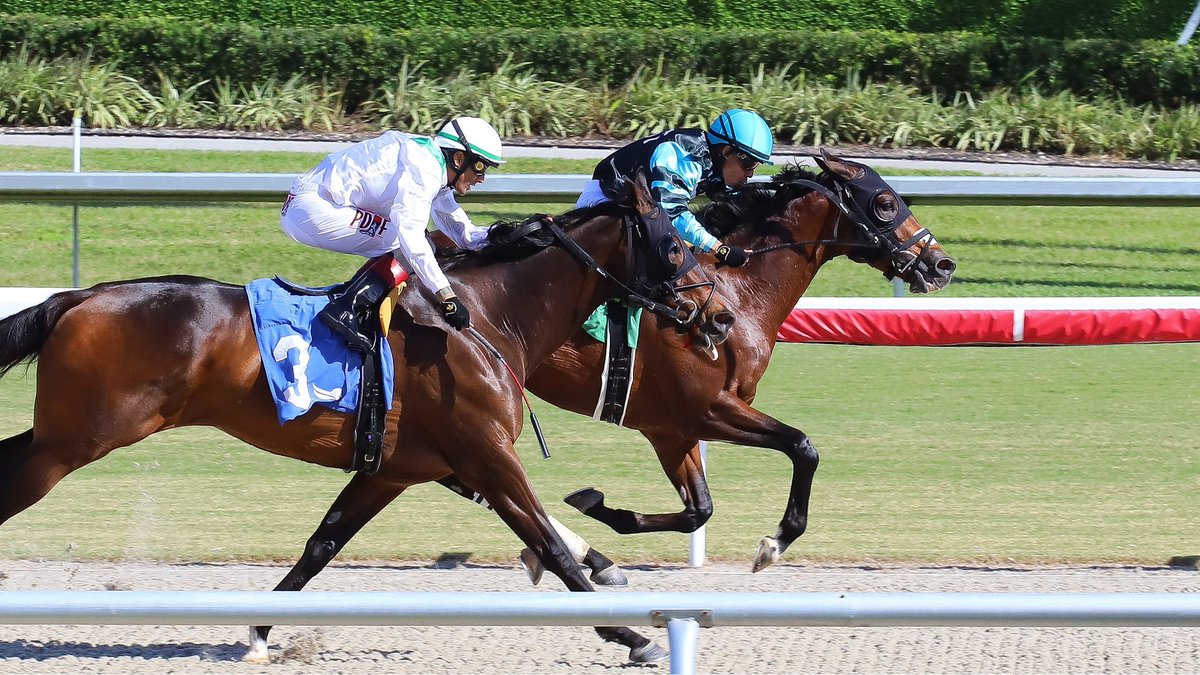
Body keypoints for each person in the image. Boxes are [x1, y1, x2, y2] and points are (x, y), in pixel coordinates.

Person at [280, 117, 504, 351]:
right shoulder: (424, 170)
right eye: (480, 167)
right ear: (459, 159)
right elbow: (412, 237)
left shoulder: (431, 163)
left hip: (313, 204)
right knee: (407, 239)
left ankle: (354, 305)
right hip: (312, 209)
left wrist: (515, 234)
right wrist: (446, 295)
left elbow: (464, 234)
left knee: (410, 239)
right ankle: (348, 310)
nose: (482, 178)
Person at [576, 108, 774, 268]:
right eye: (748, 164)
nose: (750, 173)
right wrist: (720, 249)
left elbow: (736, 200)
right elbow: (674, 213)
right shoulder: (682, 154)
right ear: (727, 150)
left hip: (637, 212)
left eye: (756, 166)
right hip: (606, 203)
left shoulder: (714, 163)